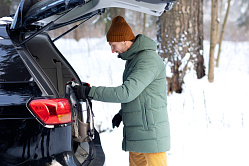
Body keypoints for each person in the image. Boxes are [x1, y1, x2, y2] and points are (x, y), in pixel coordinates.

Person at [74, 15, 170, 166]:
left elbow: (126, 93)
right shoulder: (134, 60)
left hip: (151, 134)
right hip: (138, 133)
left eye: (113, 45)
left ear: (124, 41)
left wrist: (90, 92)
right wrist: (122, 114)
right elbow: (139, 95)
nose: (112, 50)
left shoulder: (148, 60)